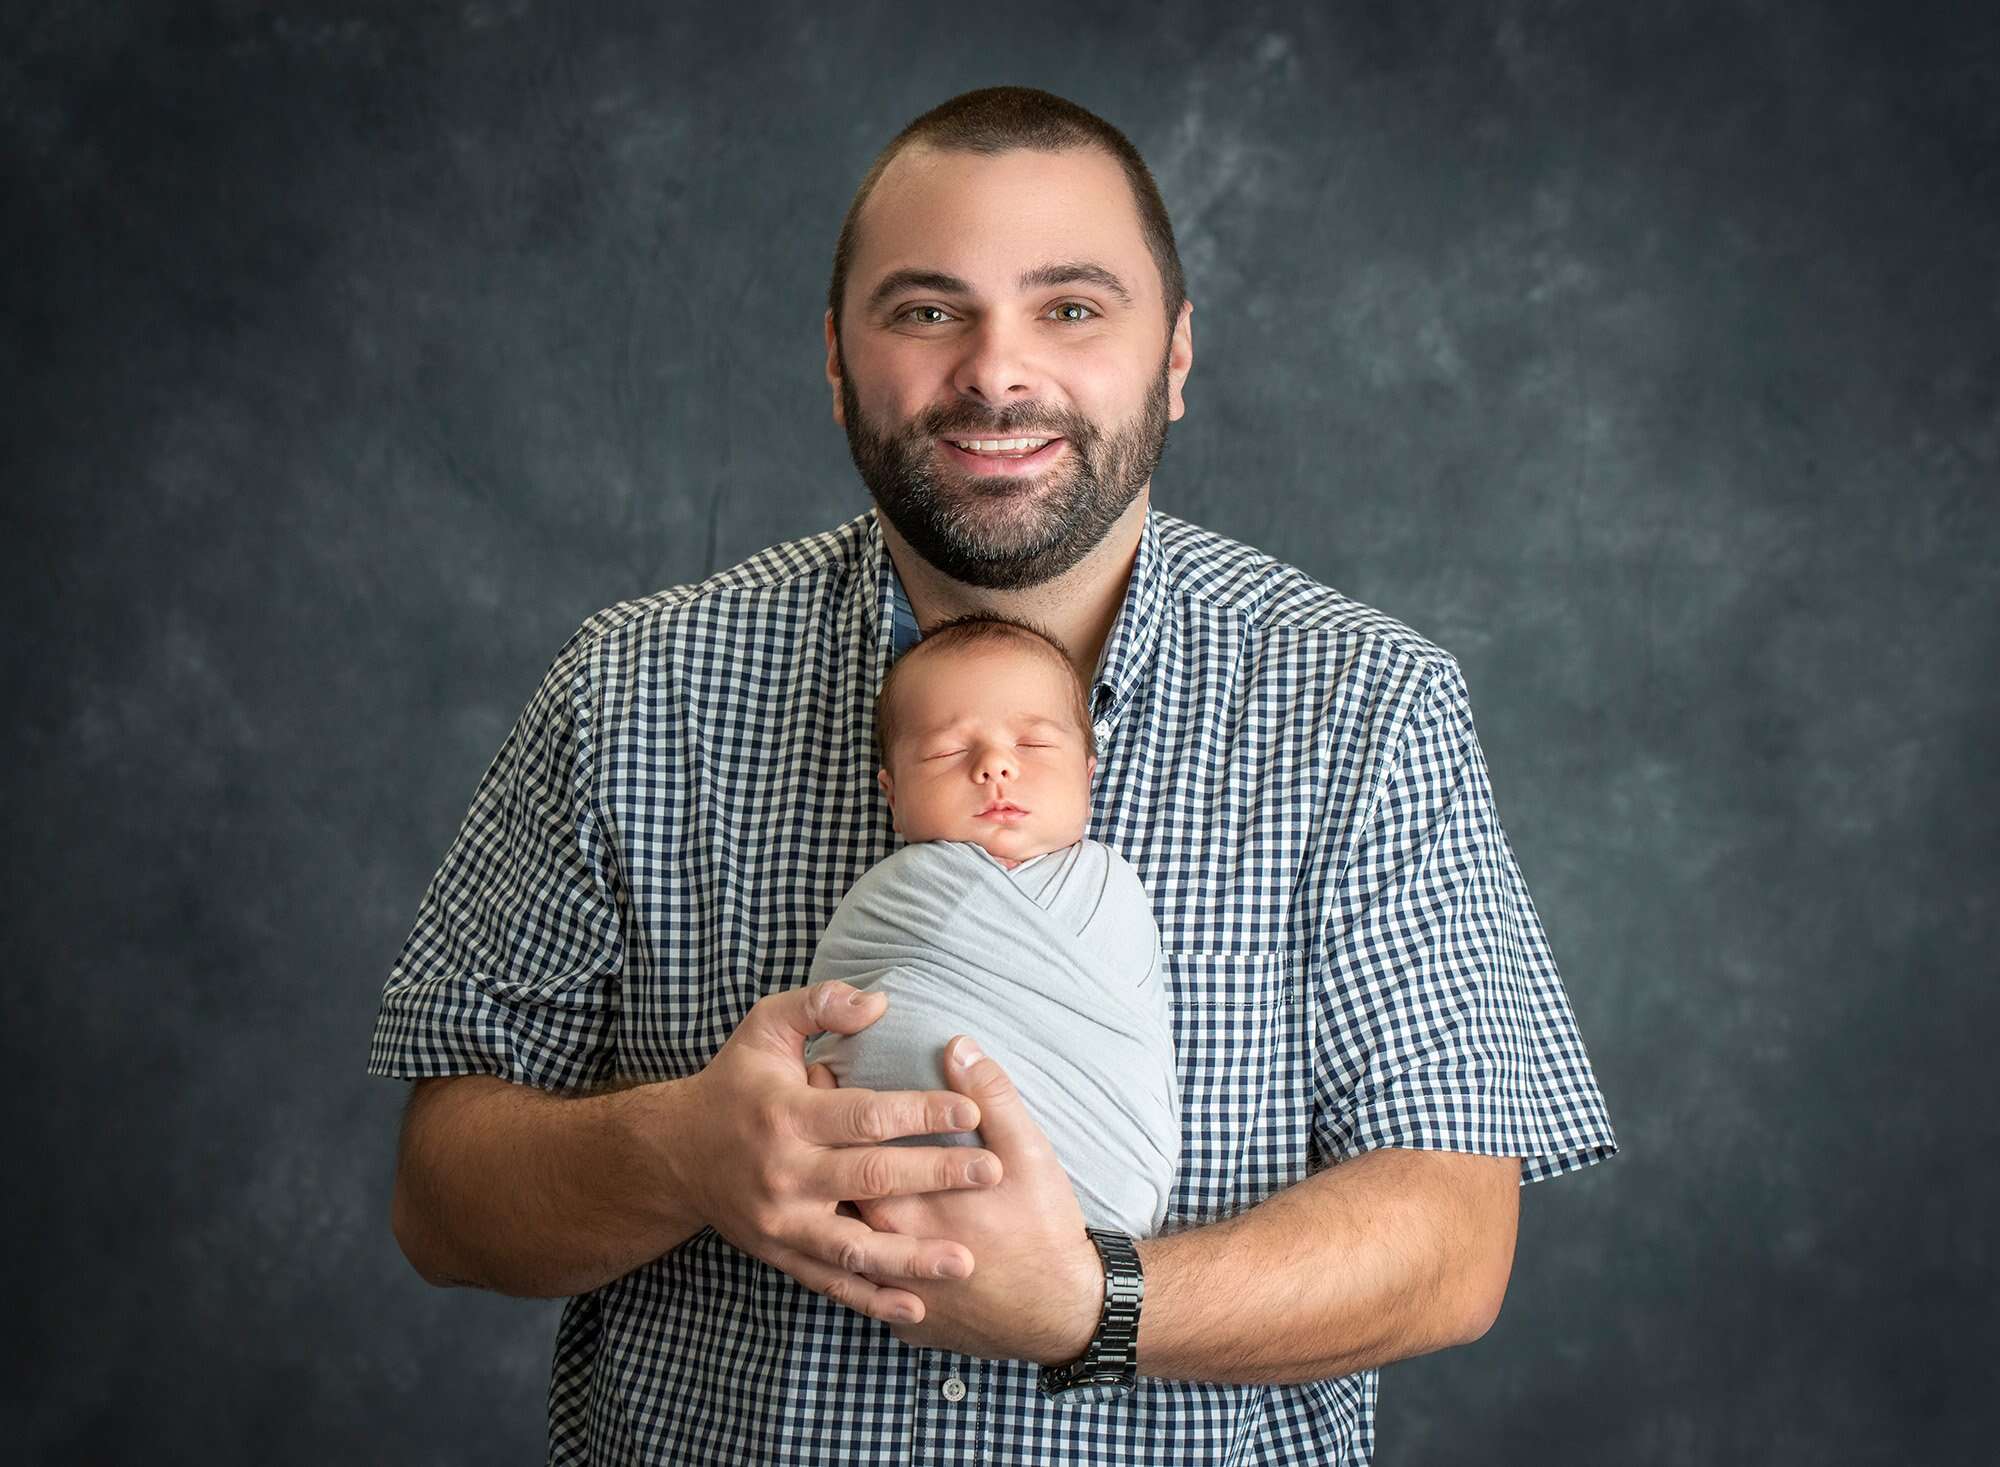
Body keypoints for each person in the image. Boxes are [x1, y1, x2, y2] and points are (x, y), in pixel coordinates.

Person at [369, 84, 1617, 1464]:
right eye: (926, 310)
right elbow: (441, 1195)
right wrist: (682, 1151)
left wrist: (1094, 1301)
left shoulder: (1369, 704)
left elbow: (1452, 1234)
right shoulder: (631, 687)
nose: (997, 372)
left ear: (1177, 355)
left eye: (1071, 308)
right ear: (837, 360)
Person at [802, 612, 1181, 1239]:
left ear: (1089, 775)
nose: (995, 766)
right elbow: (831, 1028)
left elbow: (1131, 1056)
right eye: (949, 750)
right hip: (885, 1193)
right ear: (892, 796)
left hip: (1103, 1211)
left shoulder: (1109, 890)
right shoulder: (889, 901)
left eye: (1032, 745)